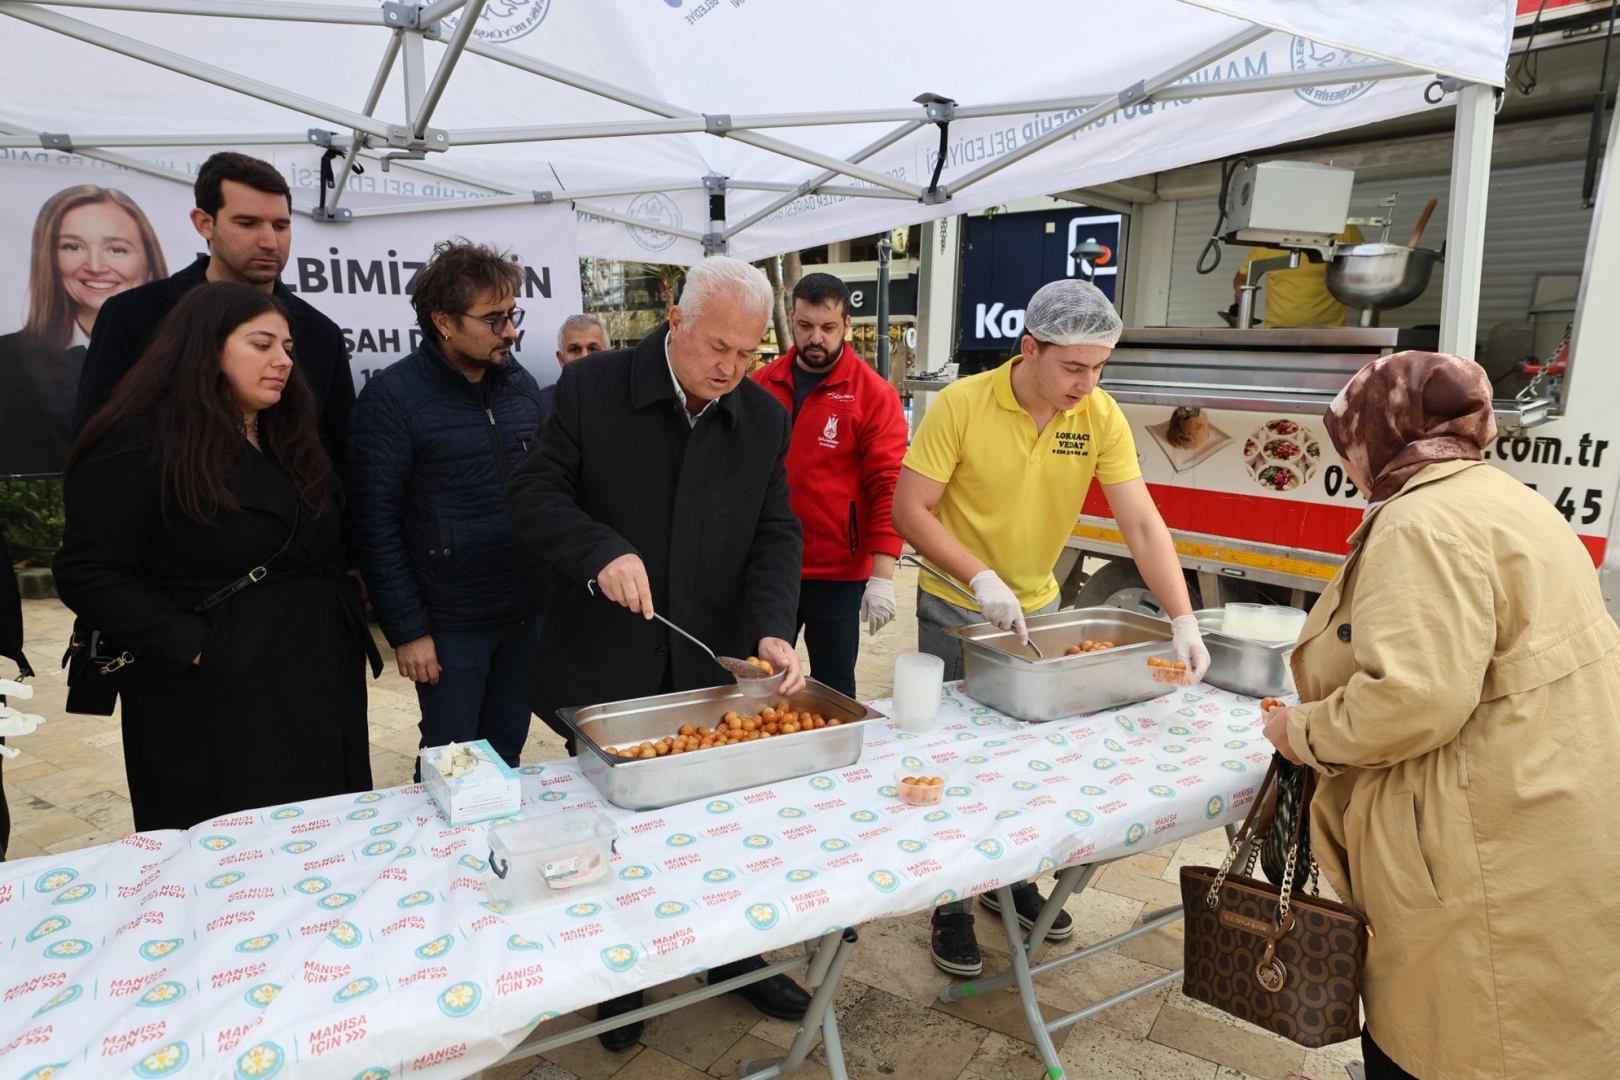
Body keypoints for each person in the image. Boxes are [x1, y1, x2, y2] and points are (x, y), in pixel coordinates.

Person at [1262, 351, 1620, 1080]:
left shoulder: (1419, 521)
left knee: (1455, 1028)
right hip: (1549, 799)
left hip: (1478, 825)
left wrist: (1299, 733)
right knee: (1542, 1019)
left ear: (1377, 435)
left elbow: (1412, 698)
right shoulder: (1505, 497)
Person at [506, 255, 809, 1049]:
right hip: (608, 658)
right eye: (718, 348)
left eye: (748, 354)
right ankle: (625, 977)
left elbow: (776, 532)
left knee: (726, 823)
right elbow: (534, 495)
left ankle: (736, 955)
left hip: (709, 659)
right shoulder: (591, 388)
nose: (732, 369)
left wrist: (775, 624)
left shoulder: (764, 416)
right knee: (619, 828)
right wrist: (597, 549)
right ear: (674, 318)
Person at [892, 278, 1210, 978]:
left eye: (1099, 368)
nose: (1087, 382)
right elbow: (910, 510)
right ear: (1029, 349)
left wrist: (1183, 618)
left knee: (1021, 757)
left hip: (1039, 605)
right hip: (956, 604)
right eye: (1073, 366)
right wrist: (978, 577)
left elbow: (1140, 521)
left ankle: (1011, 881)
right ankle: (949, 898)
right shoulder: (963, 404)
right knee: (956, 755)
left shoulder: (1098, 415)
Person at [54, 283, 378, 833]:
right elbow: (89, 572)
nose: (282, 361)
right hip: (209, 694)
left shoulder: (289, 433)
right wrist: (199, 647)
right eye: (262, 344)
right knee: (234, 850)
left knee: (325, 833)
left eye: (288, 347)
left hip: (317, 673)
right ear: (204, 348)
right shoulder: (137, 443)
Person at [347, 240, 547, 770]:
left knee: (504, 755)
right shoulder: (392, 400)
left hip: (524, 617)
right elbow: (375, 526)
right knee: (450, 763)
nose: (510, 331)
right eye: (494, 319)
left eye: (513, 314)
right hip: (450, 626)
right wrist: (409, 631)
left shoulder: (522, 388)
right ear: (444, 322)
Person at [72, 152, 355, 466]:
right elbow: (96, 444)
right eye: (247, 223)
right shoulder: (132, 315)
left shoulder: (320, 333)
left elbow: (337, 454)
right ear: (204, 223)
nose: (270, 242)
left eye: (280, 226)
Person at [752, 272, 908, 697]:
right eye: (804, 326)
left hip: (837, 573)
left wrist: (882, 576)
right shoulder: (760, 386)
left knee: (832, 686)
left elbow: (888, 487)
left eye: (827, 327)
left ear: (847, 326)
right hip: (768, 567)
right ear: (790, 319)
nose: (814, 338)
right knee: (759, 679)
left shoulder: (874, 395)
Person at [0, 185, 167, 474]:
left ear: (149, 264)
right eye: (72, 247)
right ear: (50, 260)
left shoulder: (191, 352)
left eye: (117, 249)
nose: (95, 266)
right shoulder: (8, 360)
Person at [1231, 225, 1364, 328]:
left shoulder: (1343, 229)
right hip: (1277, 335)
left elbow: (1366, 280)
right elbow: (1243, 275)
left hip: (1330, 337)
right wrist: (1241, 292)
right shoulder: (1270, 235)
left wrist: (1370, 331)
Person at [539, 313, 610, 421]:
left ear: (610, 356)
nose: (584, 357)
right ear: (561, 359)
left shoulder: (624, 401)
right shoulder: (541, 405)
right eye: (575, 350)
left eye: (593, 349)